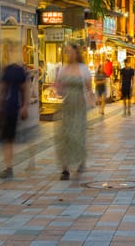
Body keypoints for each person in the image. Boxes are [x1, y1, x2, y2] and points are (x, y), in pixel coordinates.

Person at [55, 43, 93, 180]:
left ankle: (81, 159)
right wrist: (58, 88)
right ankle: (65, 169)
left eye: (71, 52)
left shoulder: (83, 69)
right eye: (67, 52)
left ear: (77, 53)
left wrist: (91, 101)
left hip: (79, 106)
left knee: (78, 134)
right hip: (67, 105)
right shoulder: (63, 69)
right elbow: (59, 90)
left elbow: (89, 88)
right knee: (65, 135)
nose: (69, 54)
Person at [0, 43, 30, 179]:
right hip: (8, 108)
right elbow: (3, 89)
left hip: (12, 108)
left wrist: (25, 106)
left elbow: (25, 88)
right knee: (8, 139)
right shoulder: (7, 69)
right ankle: (9, 166)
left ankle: (9, 167)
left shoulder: (18, 71)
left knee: (8, 139)